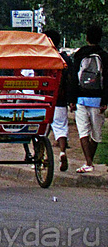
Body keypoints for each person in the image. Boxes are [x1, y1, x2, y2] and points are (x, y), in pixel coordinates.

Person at [69, 25, 108, 174]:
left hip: (80, 98)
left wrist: (71, 99)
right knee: (96, 134)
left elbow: (73, 78)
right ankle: (89, 161)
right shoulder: (104, 56)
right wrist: (105, 100)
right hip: (98, 99)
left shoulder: (79, 54)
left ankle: (88, 162)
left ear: (86, 38)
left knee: (83, 132)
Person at [43, 29, 74, 172]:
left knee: (42, 131)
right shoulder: (65, 59)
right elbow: (70, 80)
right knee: (61, 127)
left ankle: (42, 157)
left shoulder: (43, 58)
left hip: (44, 99)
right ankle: (62, 152)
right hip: (60, 100)